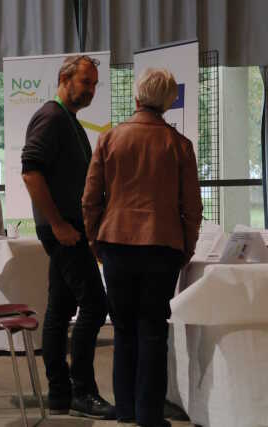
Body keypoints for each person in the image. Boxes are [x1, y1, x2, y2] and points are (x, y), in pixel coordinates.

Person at [82, 68, 203, 427]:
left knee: (122, 329)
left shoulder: (109, 139)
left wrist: (94, 240)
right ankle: (150, 414)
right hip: (162, 246)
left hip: (116, 243)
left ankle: (125, 409)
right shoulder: (179, 145)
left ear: (137, 97)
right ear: (169, 102)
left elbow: (90, 199)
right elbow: (192, 207)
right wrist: (187, 245)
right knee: (153, 328)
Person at [21, 55, 115, 419]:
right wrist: (58, 224)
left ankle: (60, 394)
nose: (90, 90)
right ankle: (82, 389)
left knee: (60, 310)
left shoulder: (69, 121)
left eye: (93, 84)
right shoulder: (51, 117)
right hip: (63, 232)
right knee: (95, 305)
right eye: (85, 82)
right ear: (65, 78)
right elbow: (31, 172)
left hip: (70, 231)